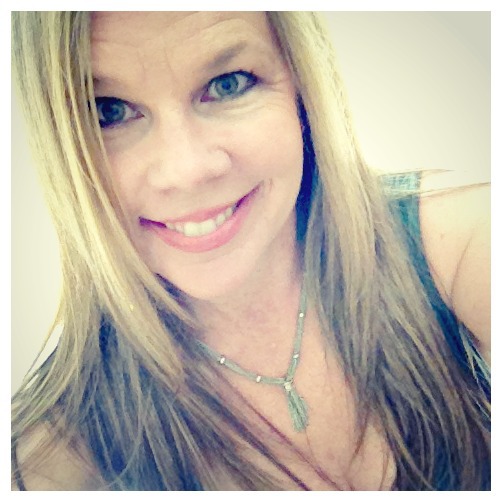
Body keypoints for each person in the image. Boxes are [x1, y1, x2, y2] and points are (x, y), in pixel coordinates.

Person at [11, 12, 490, 491]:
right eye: (108, 112)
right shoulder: (53, 455)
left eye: (228, 84)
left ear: (302, 88)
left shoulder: (465, 250)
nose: (186, 170)